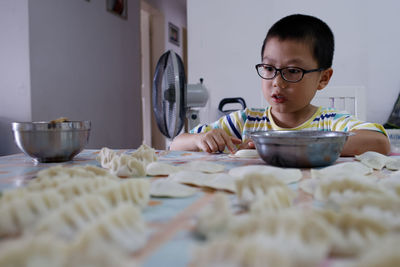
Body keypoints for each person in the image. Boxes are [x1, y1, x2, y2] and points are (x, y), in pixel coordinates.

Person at [170, 14, 390, 156]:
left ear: (323, 78)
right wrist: (201, 139)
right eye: (268, 69)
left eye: (292, 71)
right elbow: (176, 144)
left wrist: (295, 147)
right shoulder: (246, 121)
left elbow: (380, 143)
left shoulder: (330, 124)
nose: (277, 82)